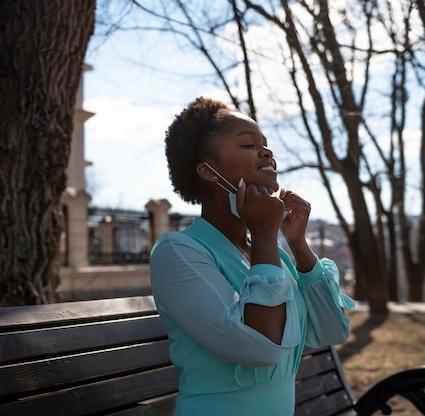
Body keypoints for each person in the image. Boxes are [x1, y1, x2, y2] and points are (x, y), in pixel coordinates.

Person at [150, 97, 354, 416]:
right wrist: (263, 234)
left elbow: (332, 331)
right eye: (249, 144)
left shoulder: (271, 255)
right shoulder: (178, 252)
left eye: (266, 144)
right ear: (208, 171)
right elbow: (261, 346)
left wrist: (297, 245)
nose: (267, 152)